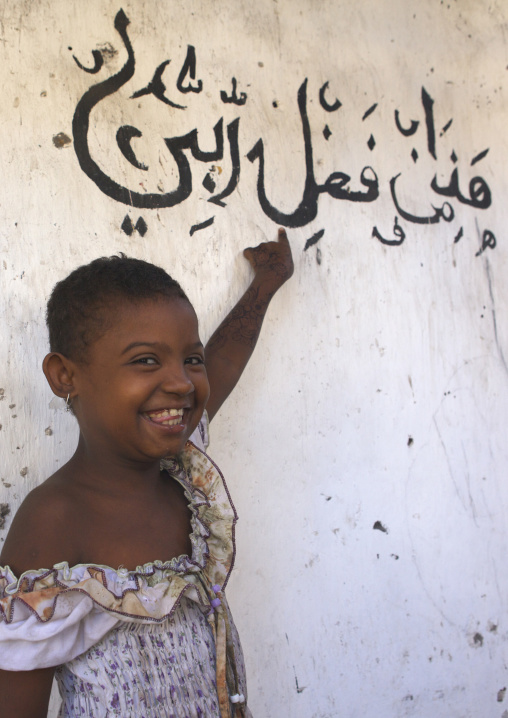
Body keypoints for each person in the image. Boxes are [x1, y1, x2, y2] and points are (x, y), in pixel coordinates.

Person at [0, 228, 293, 718]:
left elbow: (222, 362)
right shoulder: (54, 521)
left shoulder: (186, 478)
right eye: (146, 360)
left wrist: (266, 284)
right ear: (64, 376)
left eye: (189, 359)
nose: (181, 383)